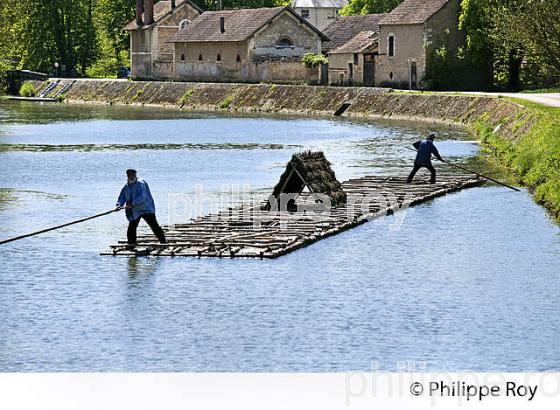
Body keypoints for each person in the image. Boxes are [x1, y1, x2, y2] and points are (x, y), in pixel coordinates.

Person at [116, 169, 166, 247]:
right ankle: (131, 244)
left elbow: (142, 197)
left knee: (154, 226)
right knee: (131, 228)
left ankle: (163, 242)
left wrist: (132, 204)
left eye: (132, 174)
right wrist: (119, 205)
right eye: (129, 175)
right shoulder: (126, 187)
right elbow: (122, 197)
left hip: (146, 209)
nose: (131, 176)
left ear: (135, 175)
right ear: (127, 175)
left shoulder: (141, 183)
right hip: (135, 211)